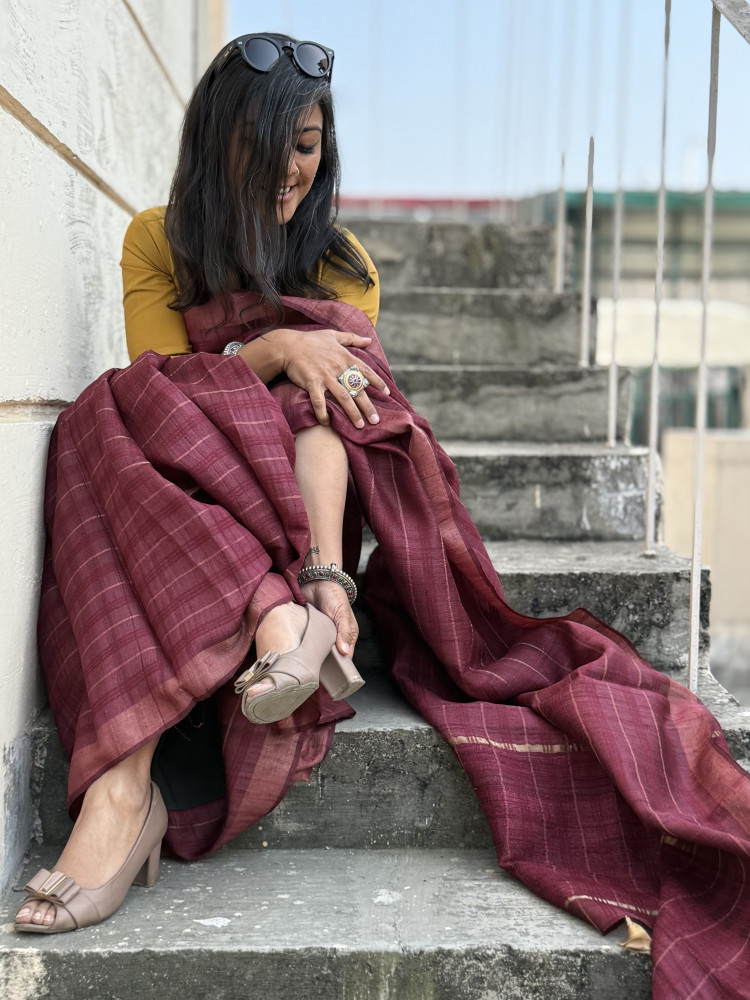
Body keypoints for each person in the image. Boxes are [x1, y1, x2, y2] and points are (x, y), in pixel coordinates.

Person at [14, 32, 750, 1000]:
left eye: (310, 142)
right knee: (107, 416)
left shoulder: (343, 259)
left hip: (315, 498)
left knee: (324, 393)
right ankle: (244, 658)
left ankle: (259, 647)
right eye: (268, 141)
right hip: (189, 472)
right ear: (215, 140)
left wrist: (326, 561)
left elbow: (356, 417)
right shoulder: (158, 236)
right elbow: (166, 390)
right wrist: (274, 343)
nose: (290, 166)